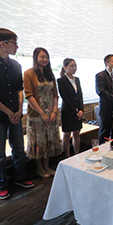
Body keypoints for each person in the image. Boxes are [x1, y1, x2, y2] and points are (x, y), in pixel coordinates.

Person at [0, 28, 34, 200]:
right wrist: (8, 112)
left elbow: (19, 90)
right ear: (3, 44)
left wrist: (20, 110)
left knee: (18, 148)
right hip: (1, 116)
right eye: (14, 43)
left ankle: (20, 177)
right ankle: (2, 184)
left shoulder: (16, 65)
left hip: (16, 114)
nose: (17, 46)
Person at [24, 47, 62, 179]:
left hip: (51, 114)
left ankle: (47, 166)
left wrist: (54, 111)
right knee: (39, 143)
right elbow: (28, 96)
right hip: (37, 115)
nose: (45, 59)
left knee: (50, 141)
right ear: (36, 58)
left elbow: (55, 95)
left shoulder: (50, 74)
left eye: (46, 57)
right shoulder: (28, 73)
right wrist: (42, 114)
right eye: (42, 57)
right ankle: (39, 168)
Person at [57, 58, 84, 157]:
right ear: (65, 67)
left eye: (75, 66)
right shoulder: (61, 80)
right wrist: (75, 111)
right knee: (67, 135)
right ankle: (67, 157)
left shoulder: (76, 79)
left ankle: (77, 154)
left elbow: (80, 95)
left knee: (77, 133)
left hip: (77, 111)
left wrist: (81, 109)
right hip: (67, 111)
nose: (74, 68)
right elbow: (65, 97)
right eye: (72, 66)